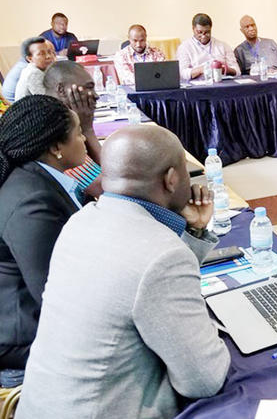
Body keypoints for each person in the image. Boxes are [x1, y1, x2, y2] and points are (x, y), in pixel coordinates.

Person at [17, 125, 230, 419]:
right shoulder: (162, 255)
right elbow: (204, 380)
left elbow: (142, 283)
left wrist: (193, 230)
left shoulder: (81, 221)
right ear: (171, 179)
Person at [0, 95, 87, 371]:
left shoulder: (40, 176)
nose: (84, 140)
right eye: (79, 133)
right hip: (25, 338)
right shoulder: (31, 202)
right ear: (56, 147)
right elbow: (54, 293)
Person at [43, 61, 103, 195]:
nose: (95, 95)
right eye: (88, 87)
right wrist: (87, 130)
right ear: (61, 90)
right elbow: (106, 186)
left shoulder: (52, 114)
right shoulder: (55, 127)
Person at [176, 13, 240, 80]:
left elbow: (237, 71)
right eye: (199, 32)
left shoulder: (222, 46)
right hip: (197, 85)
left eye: (207, 32)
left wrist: (224, 69)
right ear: (193, 29)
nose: (203, 36)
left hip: (221, 82)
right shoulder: (185, 47)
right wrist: (202, 69)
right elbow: (181, 74)